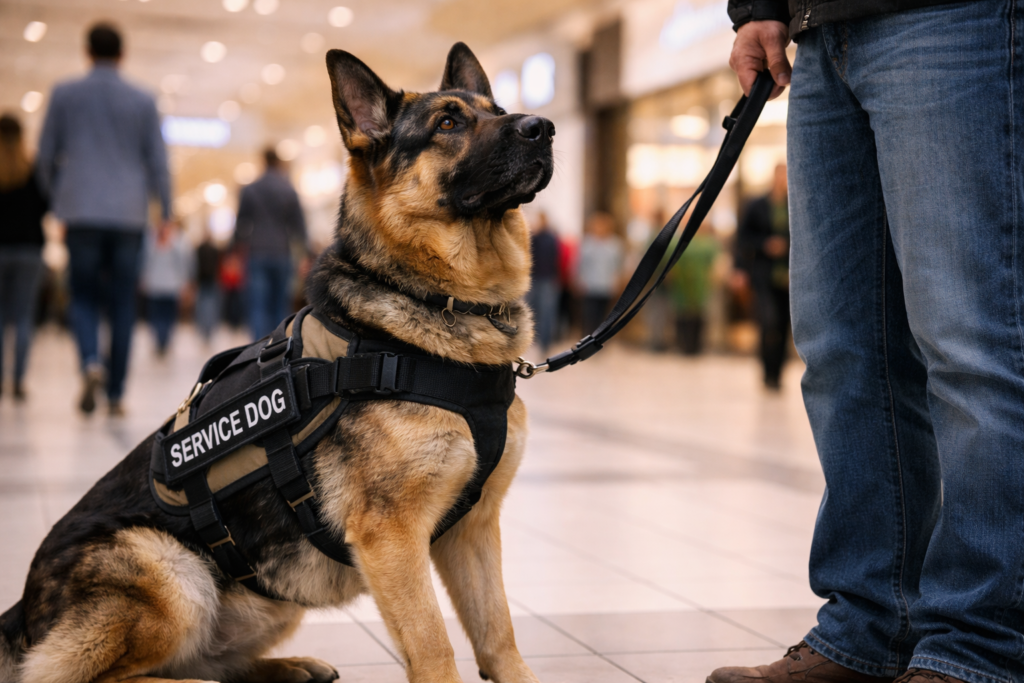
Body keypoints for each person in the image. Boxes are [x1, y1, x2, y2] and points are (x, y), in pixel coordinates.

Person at [709, 3, 1024, 683]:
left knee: (970, 343)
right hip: (818, 32)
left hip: (952, 17)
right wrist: (758, 7)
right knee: (845, 352)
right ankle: (869, 623)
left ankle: (984, 641)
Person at [36, 22, 172, 416]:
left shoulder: (64, 95)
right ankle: (115, 393)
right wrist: (165, 211)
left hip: (80, 213)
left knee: (83, 295)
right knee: (123, 303)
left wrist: (54, 200)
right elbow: (158, 162)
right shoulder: (143, 100)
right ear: (122, 55)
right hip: (129, 216)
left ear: (87, 51)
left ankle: (90, 361)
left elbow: (45, 157)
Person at [232, 148, 308, 340]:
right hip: (282, 251)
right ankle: (277, 348)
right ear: (279, 162)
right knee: (279, 303)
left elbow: (241, 224)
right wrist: (306, 254)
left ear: (263, 161)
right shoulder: (289, 190)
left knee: (258, 304)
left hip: (257, 251)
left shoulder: (250, 189)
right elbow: (299, 226)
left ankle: (258, 348)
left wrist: (232, 251)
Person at [0, 114, 48, 402]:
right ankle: (18, 380)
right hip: (29, 250)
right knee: (23, 317)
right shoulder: (32, 169)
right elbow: (45, 205)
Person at [734, 163, 790, 389]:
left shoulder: (793, 204)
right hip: (764, 273)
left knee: (785, 324)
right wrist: (764, 245)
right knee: (769, 321)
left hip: (787, 275)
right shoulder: (757, 205)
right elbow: (742, 239)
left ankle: (778, 374)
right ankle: (767, 371)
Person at [666, 222, 720, 355]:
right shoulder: (677, 242)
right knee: (682, 314)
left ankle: (697, 345)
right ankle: (682, 344)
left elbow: (715, 262)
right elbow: (670, 261)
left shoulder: (708, 243)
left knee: (699, 314)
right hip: (681, 283)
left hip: (701, 283)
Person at [140, 221, 191, 356]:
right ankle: (158, 340)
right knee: (155, 316)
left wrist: (184, 283)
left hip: (171, 287)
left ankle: (165, 341)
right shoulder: (150, 242)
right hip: (155, 286)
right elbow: (144, 263)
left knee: (169, 316)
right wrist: (143, 279)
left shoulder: (178, 243)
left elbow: (183, 264)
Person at [576, 212, 623, 336]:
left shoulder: (615, 244)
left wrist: (616, 281)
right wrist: (579, 280)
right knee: (589, 314)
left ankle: (600, 338)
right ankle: (587, 337)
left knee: (604, 315)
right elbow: (580, 264)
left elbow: (617, 266)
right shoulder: (587, 243)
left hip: (606, 285)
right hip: (590, 285)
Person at [526, 211, 561, 354]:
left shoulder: (551, 238)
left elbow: (556, 257)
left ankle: (545, 342)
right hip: (532, 279)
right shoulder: (532, 237)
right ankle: (532, 340)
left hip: (547, 278)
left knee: (547, 312)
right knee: (531, 310)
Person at [194, 233, 221, 343]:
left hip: (203, 280)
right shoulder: (215, 250)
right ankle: (208, 328)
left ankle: (203, 328)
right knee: (210, 306)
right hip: (211, 280)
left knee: (202, 306)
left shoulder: (199, 249)